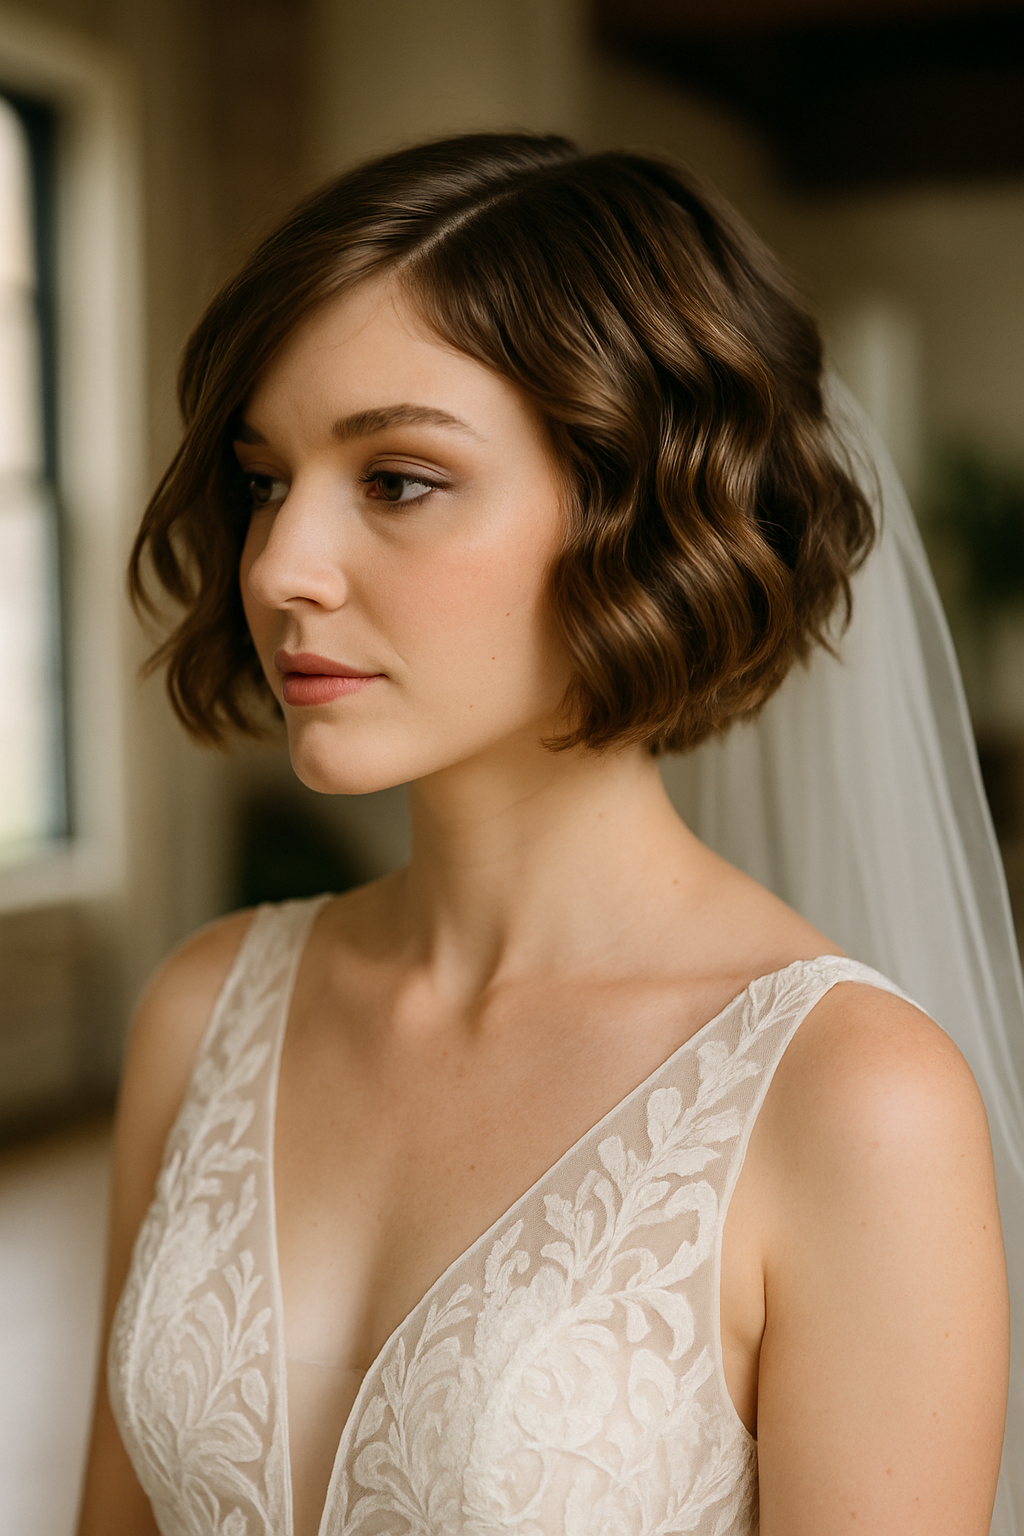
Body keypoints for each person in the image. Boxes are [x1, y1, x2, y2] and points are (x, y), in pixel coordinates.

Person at [76, 134, 1016, 1536]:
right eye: (265, 479)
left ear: (645, 514)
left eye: (397, 479)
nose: (277, 567)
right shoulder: (206, 1010)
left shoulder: (852, 1103)